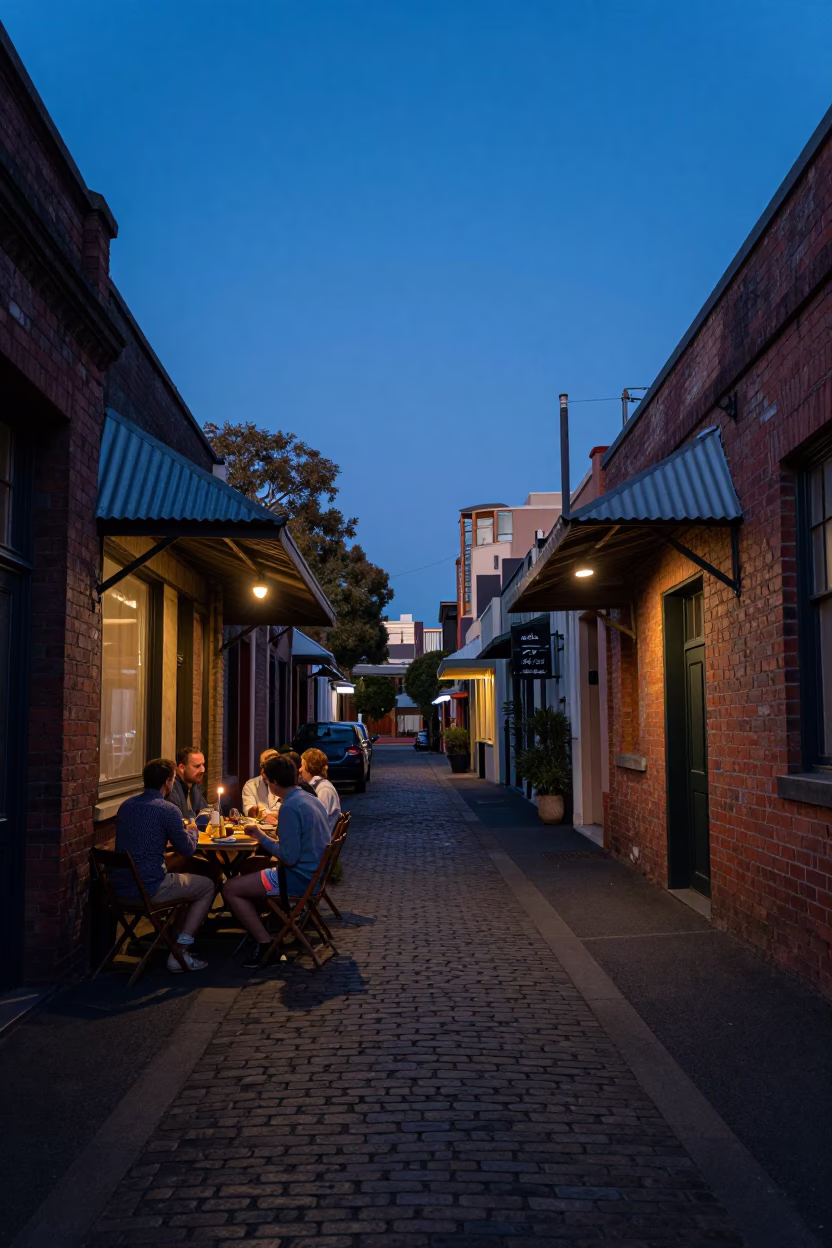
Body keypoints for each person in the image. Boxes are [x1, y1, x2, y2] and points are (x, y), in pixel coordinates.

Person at [224, 755, 332, 969]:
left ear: (273, 784)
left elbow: (289, 857)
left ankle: (265, 943)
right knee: (251, 868)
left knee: (230, 889)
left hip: (296, 878)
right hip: (312, 875)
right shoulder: (310, 799)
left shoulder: (290, 807)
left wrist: (261, 838)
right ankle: (266, 927)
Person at [114, 758, 214, 972]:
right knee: (206, 885)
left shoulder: (126, 806)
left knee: (186, 884)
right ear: (168, 782)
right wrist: (193, 830)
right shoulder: (168, 810)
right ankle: (180, 952)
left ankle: (171, 936)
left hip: (118, 888)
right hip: (150, 888)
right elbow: (187, 849)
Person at [300, 748, 341, 831]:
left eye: (302, 766)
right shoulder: (318, 786)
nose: (300, 770)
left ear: (309, 766)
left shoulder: (323, 789)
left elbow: (317, 821)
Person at [166, 746, 208, 818]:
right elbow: (178, 821)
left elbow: (204, 813)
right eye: (197, 766)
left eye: (203, 765)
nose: (202, 770)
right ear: (182, 767)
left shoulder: (194, 785)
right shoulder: (170, 789)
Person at [242, 748, 281, 819]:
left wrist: (263, 813)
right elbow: (249, 811)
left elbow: (284, 811)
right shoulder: (250, 785)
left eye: (268, 766)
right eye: (262, 766)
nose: (263, 772)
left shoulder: (285, 784)